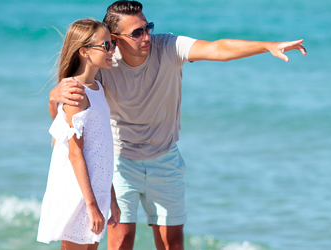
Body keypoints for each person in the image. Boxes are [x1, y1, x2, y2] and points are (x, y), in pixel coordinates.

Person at [48, 1, 307, 249]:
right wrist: (53, 96)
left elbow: (216, 49)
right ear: (115, 40)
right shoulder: (103, 60)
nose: (147, 36)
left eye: (147, 28)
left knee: (173, 244)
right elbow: (71, 114)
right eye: (136, 33)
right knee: (121, 241)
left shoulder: (168, 46)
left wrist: (267, 46)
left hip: (164, 157)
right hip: (120, 161)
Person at [37, 18, 121, 250]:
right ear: (84, 51)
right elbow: (75, 153)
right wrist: (91, 205)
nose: (112, 50)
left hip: (95, 191)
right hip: (80, 195)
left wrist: (111, 198)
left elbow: (101, 151)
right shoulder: (75, 92)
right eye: (106, 45)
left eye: (112, 43)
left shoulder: (97, 88)